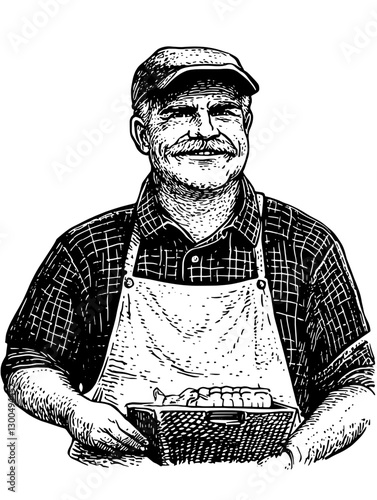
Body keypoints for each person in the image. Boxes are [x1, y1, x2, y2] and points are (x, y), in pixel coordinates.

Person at [1, 46, 374, 468]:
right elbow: (27, 364)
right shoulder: (86, 248)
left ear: (247, 125)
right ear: (142, 133)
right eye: (180, 113)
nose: (206, 130)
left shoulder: (307, 245)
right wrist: (75, 410)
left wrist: (292, 461)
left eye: (224, 110)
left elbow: (358, 385)